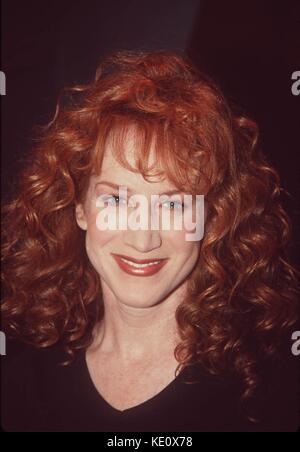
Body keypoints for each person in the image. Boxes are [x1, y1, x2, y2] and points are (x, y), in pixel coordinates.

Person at [1, 50, 299, 432]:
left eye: (173, 205)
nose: (143, 239)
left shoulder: (273, 391)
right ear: (79, 207)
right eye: (117, 200)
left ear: (211, 217)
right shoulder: (24, 386)